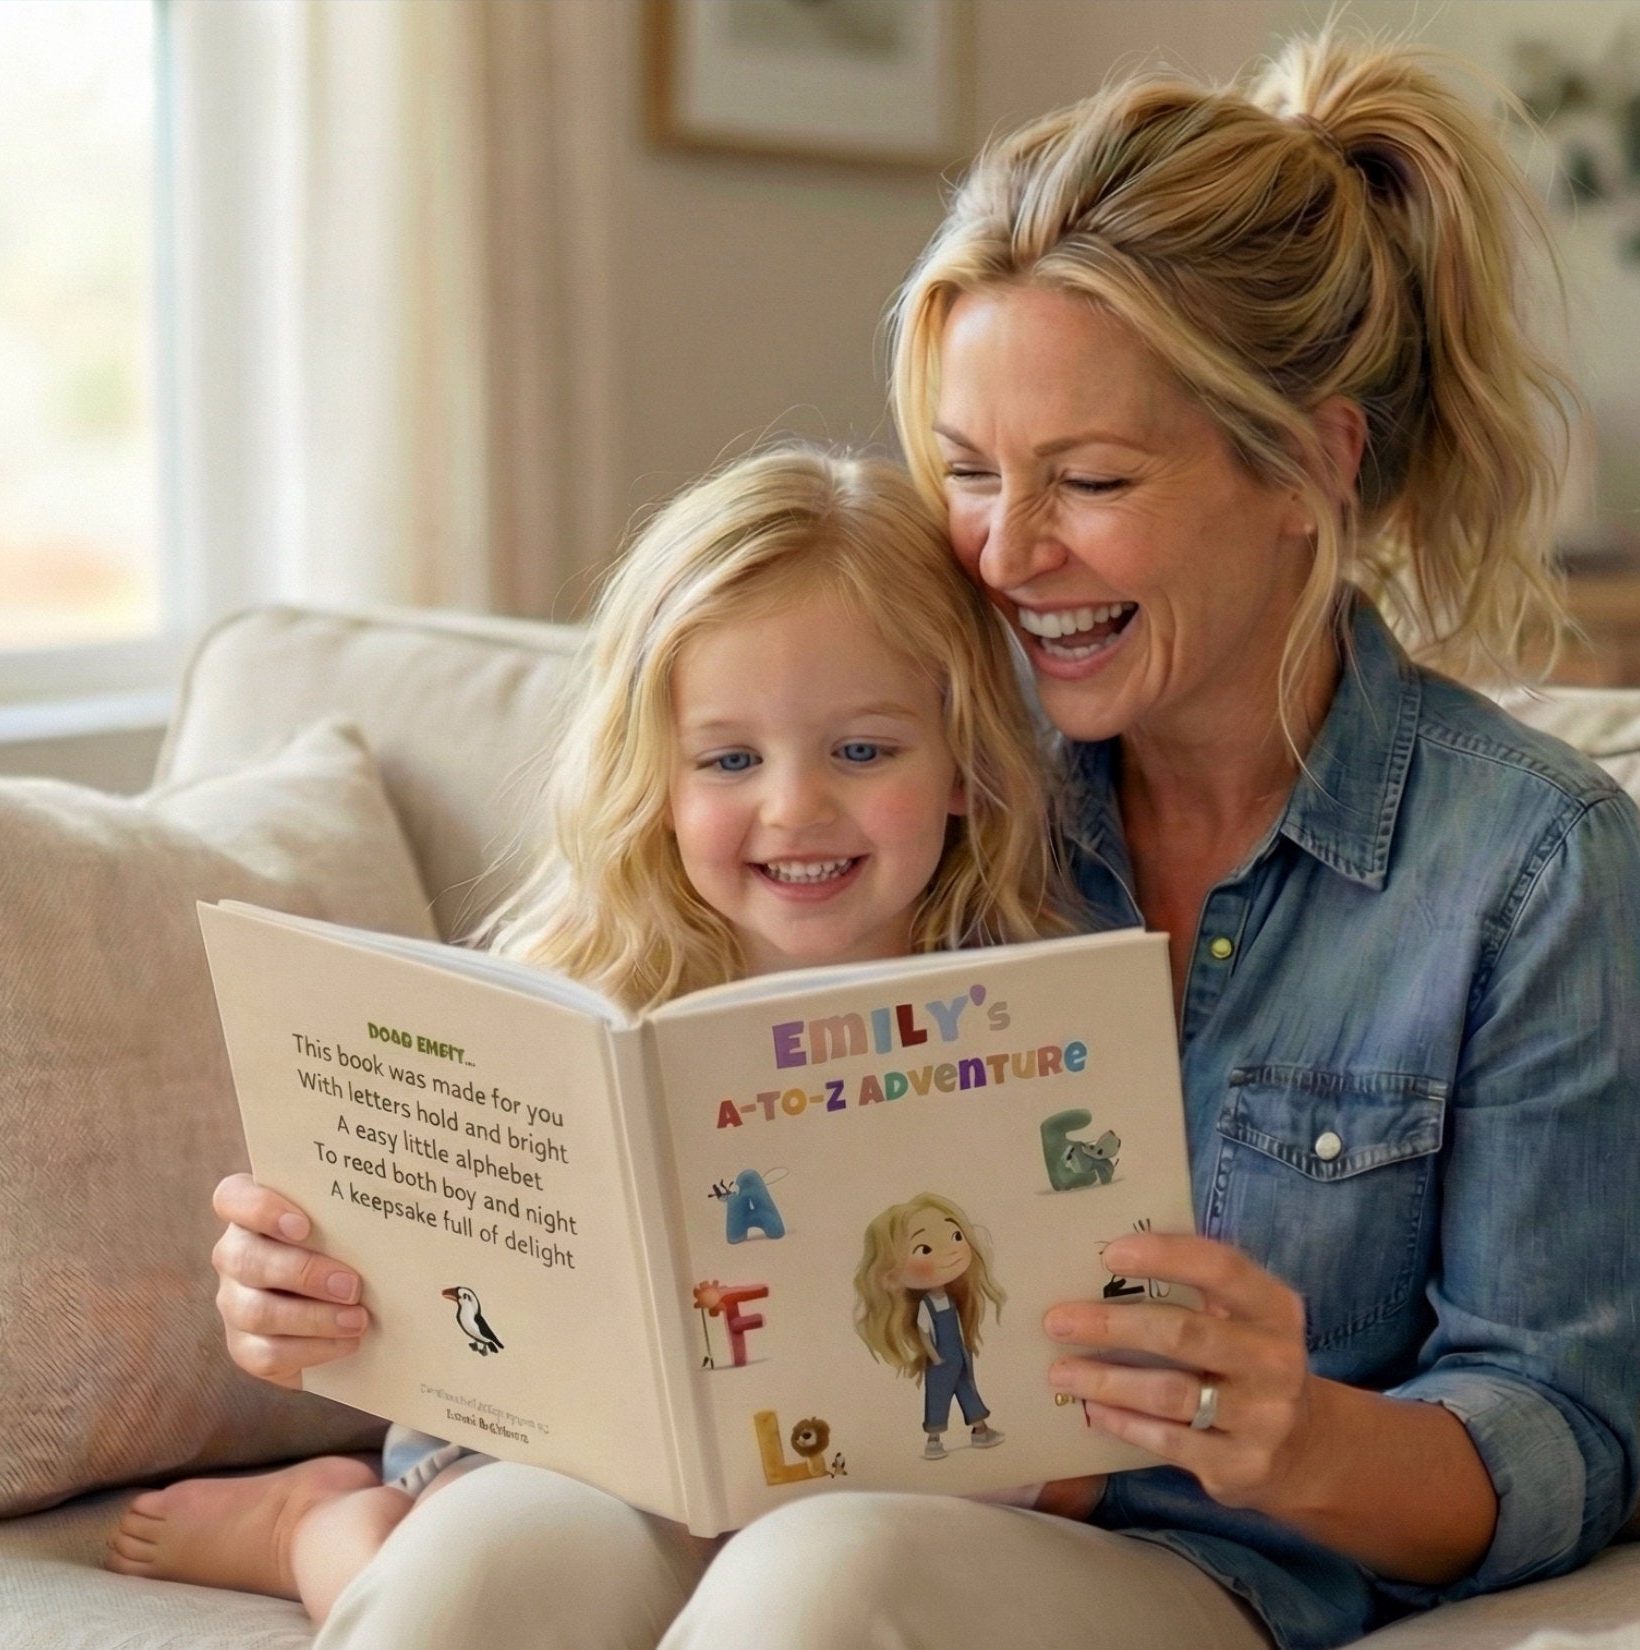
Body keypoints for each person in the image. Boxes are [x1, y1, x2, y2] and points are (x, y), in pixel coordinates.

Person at [195, 30, 1640, 1650]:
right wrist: (385, 1291)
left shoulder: (1528, 871)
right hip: (749, 1489)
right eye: (969, 472)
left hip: (1196, 1565)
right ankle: (355, 1545)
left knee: (824, 1585)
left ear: (1309, 465)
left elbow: (1560, 1441)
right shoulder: (925, 769)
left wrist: (1298, 1436)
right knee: (476, 1573)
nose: (1008, 547)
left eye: (1092, 478)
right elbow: (664, 1027)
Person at [105, 444, 1066, 1624]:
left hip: (865, 1499)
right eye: (728, 759)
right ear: (655, 779)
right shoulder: (573, 991)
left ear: (964, 759)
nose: (796, 806)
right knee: (484, 1573)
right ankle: (326, 1527)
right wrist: (292, 1287)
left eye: (862, 751)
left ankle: (345, 1533)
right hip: (534, 1464)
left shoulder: (1030, 1004)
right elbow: (412, 1269)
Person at [851, 1191, 1009, 1458]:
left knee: (968, 1389)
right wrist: (935, 1357)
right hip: (940, 1359)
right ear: (890, 1276)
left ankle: (980, 1431)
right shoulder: (927, 1305)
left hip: (959, 1353)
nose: (949, 1253)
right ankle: (933, 1440)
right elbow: (924, 1332)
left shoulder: (950, 1297)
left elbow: (957, 1325)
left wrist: (964, 1348)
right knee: (938, 1396)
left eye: (956, 1236)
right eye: (924, 1249)